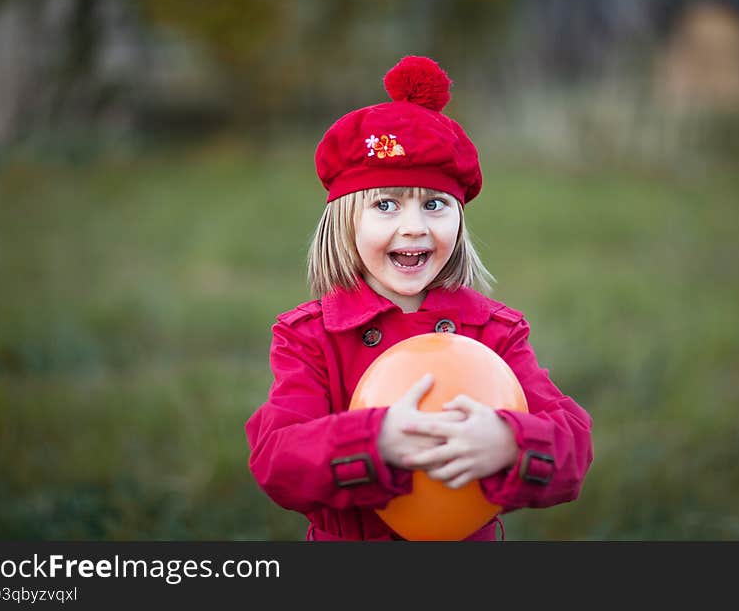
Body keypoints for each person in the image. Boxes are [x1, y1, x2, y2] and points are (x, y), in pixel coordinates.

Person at [244, 55, 593, 541]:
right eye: (385, 205)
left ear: (459, 220)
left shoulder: (494, 334)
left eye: (434, 204)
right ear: (346, 222)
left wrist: (511, 444)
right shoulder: (310, 338)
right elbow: (277, 460)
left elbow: (573, 445)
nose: (414, 226)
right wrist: (373, 441)